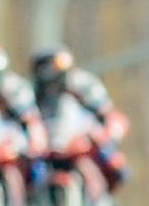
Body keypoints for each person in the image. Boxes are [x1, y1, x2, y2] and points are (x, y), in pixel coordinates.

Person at [28, 45, 129, 191]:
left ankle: (102, 196)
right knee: (32, 173)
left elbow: (105, 111)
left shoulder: (81, 84)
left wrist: (107, 132)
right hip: (47, 148)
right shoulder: (31, 92)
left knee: (112, 163)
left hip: (81, 139)